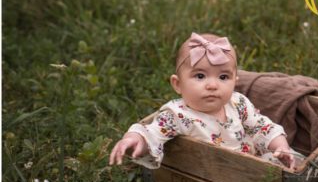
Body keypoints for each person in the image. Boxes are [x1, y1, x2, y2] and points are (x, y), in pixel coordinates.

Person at [108, 32, 296, 169]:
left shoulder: (238, 103)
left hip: (251, 167)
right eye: (200, 76)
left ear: (235, 82)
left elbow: (262, 126)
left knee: (284, 164)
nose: (212, 85)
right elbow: (153, 132)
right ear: (178, 84)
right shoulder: (177, 115)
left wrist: (280, 145)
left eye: (223, 77)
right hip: (209, 175)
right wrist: (135, 140)